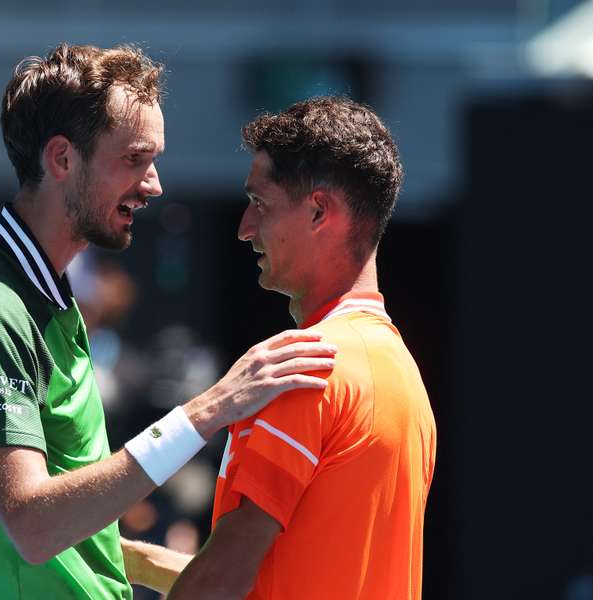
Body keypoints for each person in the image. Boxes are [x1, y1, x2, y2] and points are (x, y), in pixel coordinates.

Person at [0, 43, 338, 599]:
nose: (154, 184)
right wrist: (210, 410)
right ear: (62, 159)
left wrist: (195, 576)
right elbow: (33, 526)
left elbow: (64, 528)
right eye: (134, 159)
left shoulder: (39, 298)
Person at [168, 98, 438, 599]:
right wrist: (131, 558)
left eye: (261, 203)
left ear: (319, 211)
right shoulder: (401, 371)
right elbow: (284, 570)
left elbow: (226, 577)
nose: (245, 227)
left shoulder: (301, 367)